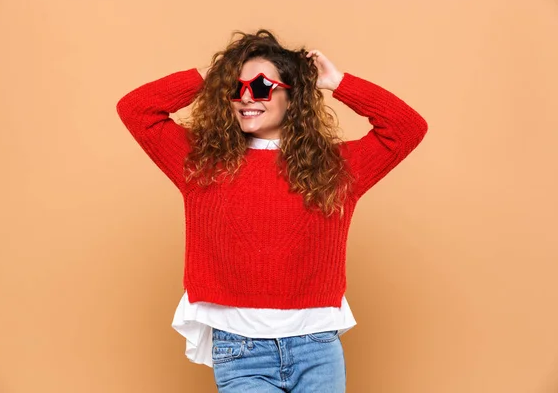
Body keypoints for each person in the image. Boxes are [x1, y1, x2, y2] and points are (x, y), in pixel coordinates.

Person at [116, 29, 428, 393]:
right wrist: (214, 75)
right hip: (240, 350)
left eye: (262, 86)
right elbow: (136, 109)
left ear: (292, 97)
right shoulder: (201, 163)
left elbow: (407, 128)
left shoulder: (335, 167)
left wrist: (340, 83)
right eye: (236, 87)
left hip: (317, 349)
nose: (246, 96)